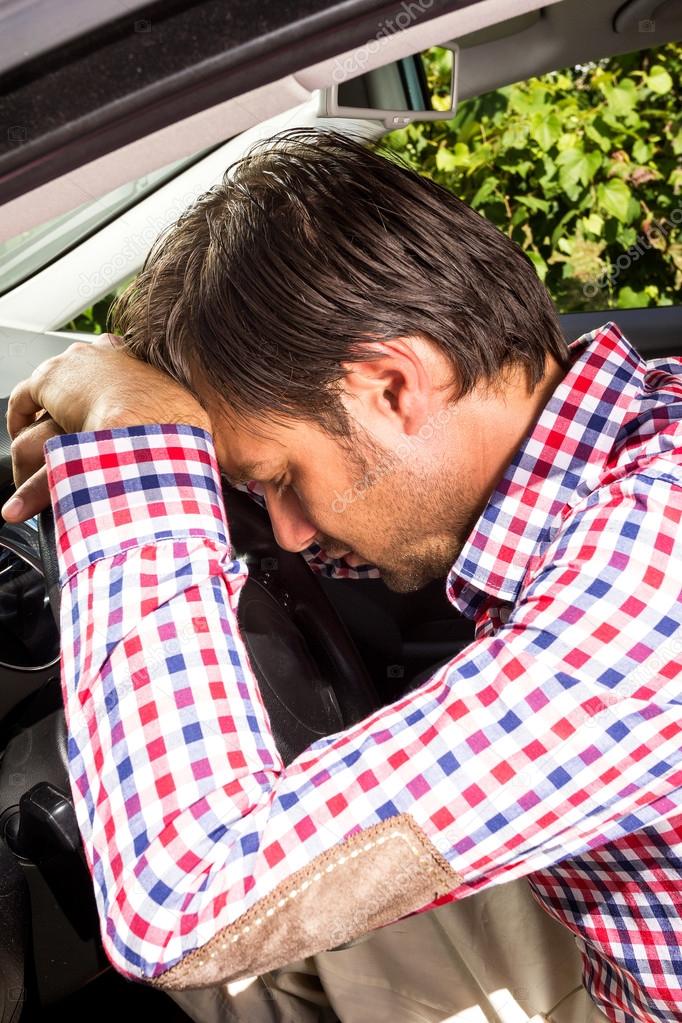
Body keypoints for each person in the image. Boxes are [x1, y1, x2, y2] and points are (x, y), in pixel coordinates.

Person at [3, 129, 681, 1023]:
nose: (286, 530)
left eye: (281, 479)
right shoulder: (628, 443)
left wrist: (142, 470)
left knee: (246, 964)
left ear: (397, 385)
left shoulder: (643, 576)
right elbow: (328, 531)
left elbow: (189, 904)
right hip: (612, 947)